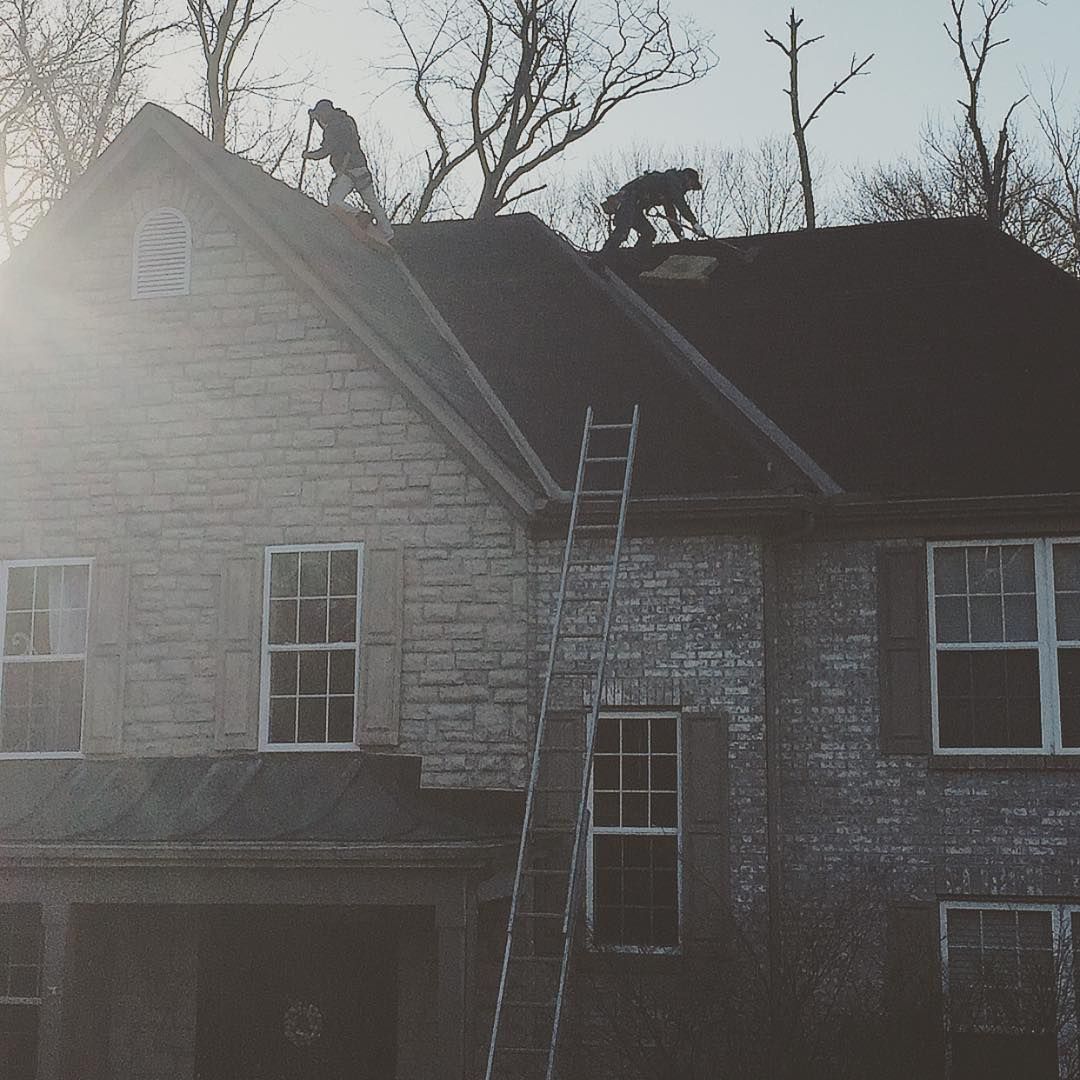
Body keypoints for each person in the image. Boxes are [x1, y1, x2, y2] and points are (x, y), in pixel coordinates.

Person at [303, 99, 394, 242]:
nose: (321, 118)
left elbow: (326, 149)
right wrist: (317, 120)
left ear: (326, 112)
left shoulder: (332, 127)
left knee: (334, 201)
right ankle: (388, 235)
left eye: (321, 115)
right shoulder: (347, 121)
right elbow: (335, 133)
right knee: (373, 203)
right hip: (361, 168)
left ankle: (358, 214)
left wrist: (309, 155)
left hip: (347, 170)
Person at [601, 167, 707, 253]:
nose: (690, 189)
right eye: (691, 185)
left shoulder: (668, 190)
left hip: (635, 207)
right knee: (622, 231)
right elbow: (680, 203)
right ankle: (601, 260)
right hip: (628, 200)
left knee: (649, 233)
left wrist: (681, 237)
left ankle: (634, 259)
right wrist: (694, 223)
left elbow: (671, 215)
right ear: (687, 177)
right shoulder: (673, 180)